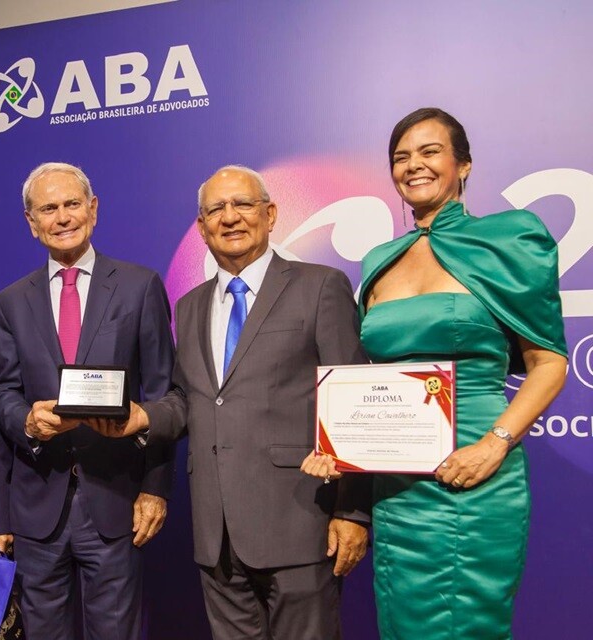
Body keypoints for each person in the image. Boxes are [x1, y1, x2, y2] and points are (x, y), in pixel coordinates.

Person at [302, 107, 568, 638]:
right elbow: (370, 378)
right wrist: (341, 445)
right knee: (403, 619)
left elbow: (549, 362)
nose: (413, 166)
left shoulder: (509, 239)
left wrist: (494, 444)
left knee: (466, 622)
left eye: (429, 152)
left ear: (463, 165)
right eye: (401, 157)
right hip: (397, 485)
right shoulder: (379, 259)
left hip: (473, 474)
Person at [91, 165, 371, 639]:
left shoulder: (320, 286)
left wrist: (352, 512)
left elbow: (353, 401)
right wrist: (142, 416)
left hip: (300, 523)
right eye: (215, 209)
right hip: (216, 533)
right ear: (201, 227)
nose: (230, 217)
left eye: (242, 204)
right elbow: (188, 399)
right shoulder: (191, 304)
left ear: (270, 214)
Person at [0, 162, 175, 640]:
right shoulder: (10, 301)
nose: (63, 217)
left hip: (115, 502)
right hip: (37, 506)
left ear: (93, 210)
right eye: (48, 209)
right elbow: (2, 394)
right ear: (32, 223)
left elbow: (162, 393)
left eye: (72, 204)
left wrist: (154, 487)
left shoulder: (139, 286)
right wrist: (27, 423)